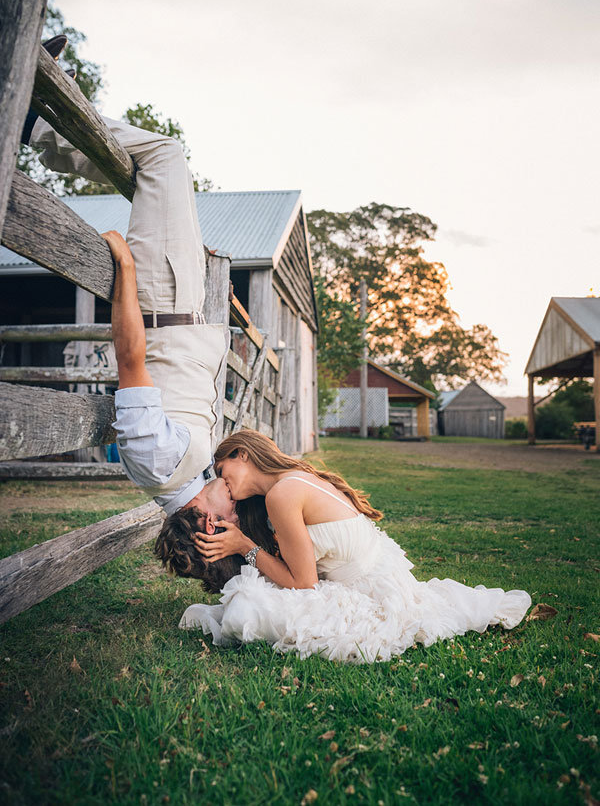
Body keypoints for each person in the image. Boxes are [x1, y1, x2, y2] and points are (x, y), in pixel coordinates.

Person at [21, 37, 236, 542]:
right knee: (152, 170)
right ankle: (48, 105)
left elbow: (131, 359)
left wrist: (126, 271)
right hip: (181, 303)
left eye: (231, 518)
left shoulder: (159, 464)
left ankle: (36, 123)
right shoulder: (181, 477)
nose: (236, 506)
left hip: (162, 299)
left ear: (206, 519)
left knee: (164, 156)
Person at [178, 430, 532, 663]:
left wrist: (244, 545)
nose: (222, 480)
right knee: (254, 603)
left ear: (242, 454)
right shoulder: (290, 482)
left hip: (369, 592)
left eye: (222, 470)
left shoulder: (282, 495)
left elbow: (304, 584)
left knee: (250, 608)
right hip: (380, 574)